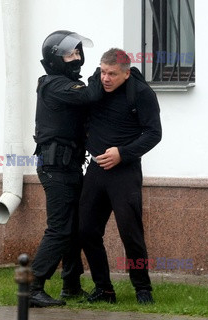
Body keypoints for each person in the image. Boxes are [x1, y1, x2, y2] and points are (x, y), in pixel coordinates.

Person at [79, 48, 162, 304]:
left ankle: (142, 288)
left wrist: (122, 154)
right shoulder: (95, 85)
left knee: (131, 233)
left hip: (125, 172)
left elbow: (153, 134)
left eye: (112, 74)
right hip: (95, 170)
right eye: (103, 71)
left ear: (126, 74)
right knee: (86, 230)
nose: (106, 78)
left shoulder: (142, 93)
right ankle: (104, 289)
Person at [30, 30, 102, 307]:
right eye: (70, 54)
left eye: (78, 53)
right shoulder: (55, 85)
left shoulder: (65, 83)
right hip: (55, 167)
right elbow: (90, 96)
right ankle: (34, 286)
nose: (77, 58)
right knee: (59, 229)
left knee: (74, 228)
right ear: (54, 59)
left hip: (70, 165)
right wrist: (101, 73)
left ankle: (71, 286)